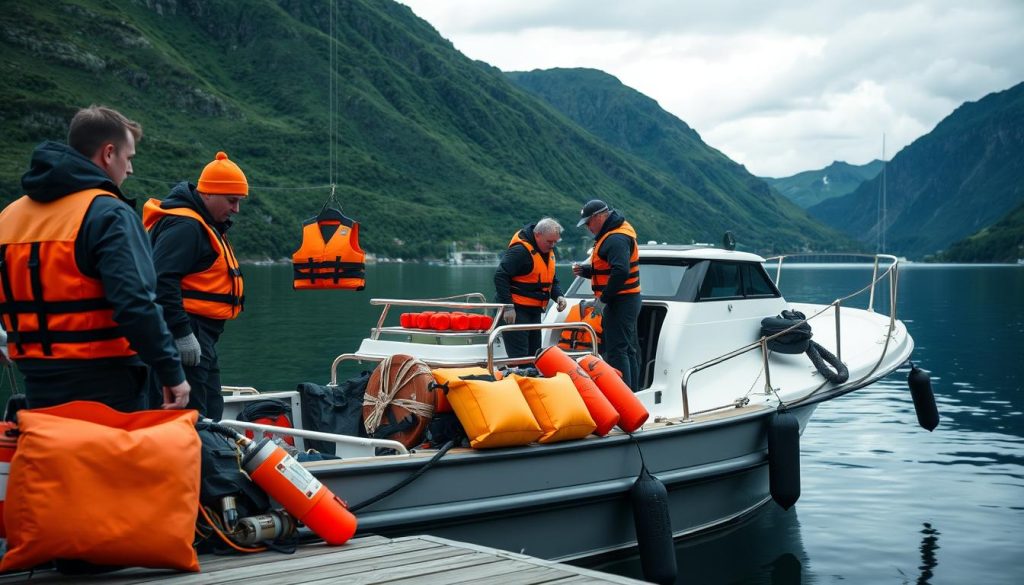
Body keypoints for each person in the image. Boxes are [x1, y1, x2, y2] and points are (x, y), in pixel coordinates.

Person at [0, 105, 189, 411]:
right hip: (109, 388)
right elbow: (135, 303)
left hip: (38, 386)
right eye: (128, 159)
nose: (130, 170)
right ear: (109, 153)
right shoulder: (108, 213)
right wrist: (172, 372)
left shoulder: (8, 218)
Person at [142, 152, 247, 420]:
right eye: (232, 201)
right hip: (188, 331)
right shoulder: (187, 227)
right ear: (209, 194)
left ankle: (206, 459)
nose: (236, 209)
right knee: (191, 415)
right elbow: (161, 279)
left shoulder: (201, 224)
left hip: (203, 336)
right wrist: (182, 333)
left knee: (210, 409)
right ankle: (190, 461)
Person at [572, 199, 643, 391]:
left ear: (599, 217)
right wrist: (588, 272)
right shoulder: (614, 234)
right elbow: (612, 269)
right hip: (625, 299)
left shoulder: (615, 238)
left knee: (617, 351)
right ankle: (632, 394)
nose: (588, 227)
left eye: (588, 222)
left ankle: (625, 397)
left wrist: (603, 299)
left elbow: (620, 271)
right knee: (627, 349)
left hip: (621, 301)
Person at [494, 218, 567, 358]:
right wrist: (508, 307)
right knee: (520, 356)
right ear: (537, 235)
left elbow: (551, 279)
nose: (552, 246)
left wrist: (559, 296)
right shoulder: (520, 251)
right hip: (516, 311)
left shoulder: (547, 252)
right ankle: (521, 377)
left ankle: (532, 378)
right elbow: (500, 276)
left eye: (555, 242)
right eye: (549, 242)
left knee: (535, 354)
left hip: (534, 310)